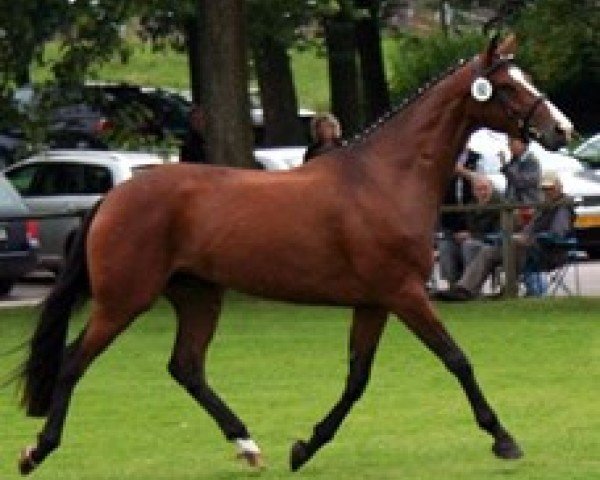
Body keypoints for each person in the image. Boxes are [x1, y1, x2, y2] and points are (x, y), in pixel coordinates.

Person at [439, 170, 573, 300]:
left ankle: (509, 289)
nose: (547, 191)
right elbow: (528, 229)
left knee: (510, 244)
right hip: (525, 247)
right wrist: (519, 236)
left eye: (550, 188)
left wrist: (528, 238)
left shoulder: (563, 206)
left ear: (559, 187)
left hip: (548, 251)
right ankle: (464, 290)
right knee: (488, 251)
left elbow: (557, 234)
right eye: (544, 188)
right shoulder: (543, 205)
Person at [438, 148, 479, 287]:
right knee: (445, 246)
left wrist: (462, 171)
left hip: (473, 221)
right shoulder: (445, 157)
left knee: (469, 246)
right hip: (450, 219)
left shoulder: (477, 159)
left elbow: (482, 181)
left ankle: (468, 286)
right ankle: (452, 285)